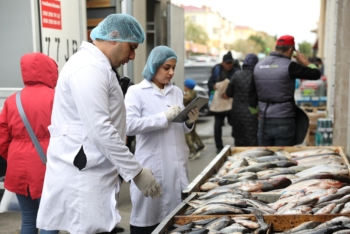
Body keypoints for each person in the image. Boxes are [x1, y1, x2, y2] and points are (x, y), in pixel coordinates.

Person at [37, 14, 162, 234]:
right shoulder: (88, 69)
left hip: (92, 170)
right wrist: (136, 171)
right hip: (84, 174)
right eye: (131, 47)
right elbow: (100, 129)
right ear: (114, 38)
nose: (133, 56)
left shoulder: (98, 66)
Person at [125, 46, 199, 234]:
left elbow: (178, 127)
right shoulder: (136, 92)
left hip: (176, 167)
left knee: (175, 221)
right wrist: (163, 117)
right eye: (166, 67)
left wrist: (189, 122)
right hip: (152, 166)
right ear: (154, 66)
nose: (171, 72)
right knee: (148, 220)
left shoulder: (176, 92)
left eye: (173, 67)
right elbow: (129, 126)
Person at [0, 52, 59, 234]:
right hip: (48, 166)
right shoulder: (56, 97)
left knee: (28, 219)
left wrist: (14, 156)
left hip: (18, 168)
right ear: (50, 70)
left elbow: (2, 139)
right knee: (51, 220)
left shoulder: (12, 100)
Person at [249, 35, 321, 146]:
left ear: (276, 48)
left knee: (264, 156)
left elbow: (251, 94)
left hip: (264, 119)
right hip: (285, 119)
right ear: (291, 51)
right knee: (283, 156)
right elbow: (316, 74)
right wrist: (304, 61)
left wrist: (256, 114)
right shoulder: (290, 66)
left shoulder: (258, 66)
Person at [208, 51, 239, 153]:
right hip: (219, 104)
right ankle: (219, 147)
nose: (229, 65)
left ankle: (237, 143)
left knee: (235, 124)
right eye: (227, 63)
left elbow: (239, 86)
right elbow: (210, 82)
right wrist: (214, 86)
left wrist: (230, 94)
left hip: (231, 103)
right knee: (217, 126)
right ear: (223, 63)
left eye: (231, 63)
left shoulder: (236, 71)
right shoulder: (217, 70)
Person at [226, 53, 259, 146]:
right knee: (252, 138)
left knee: (239, 137)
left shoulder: (236, 75)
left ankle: (239, 158)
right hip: (252, 112)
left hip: (237, 113)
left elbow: (229, 92)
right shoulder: (257, 76)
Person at [183, 78, 206, 160]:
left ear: (187, 87)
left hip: (189, 116)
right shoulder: (193, 92)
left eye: (184, 85)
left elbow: (184, 99)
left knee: (187, 135)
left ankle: (193, 151)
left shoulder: (188, 94)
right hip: (193, 115)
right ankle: (200, 145)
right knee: (193, 132)